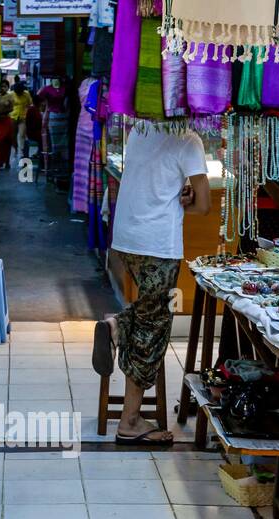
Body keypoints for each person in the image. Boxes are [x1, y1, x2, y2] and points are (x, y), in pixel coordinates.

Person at [93, 125, 210, 445]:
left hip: (126, 240)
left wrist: (179, 192)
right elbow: (204, 205)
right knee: (153, 330)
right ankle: (129, 421)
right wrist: (187, 196)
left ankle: (118, 324)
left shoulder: (138, 131)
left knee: (149, 314)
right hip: (157, 245)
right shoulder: (188, 140)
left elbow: (154, 181)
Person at [0, 79, 15, 170]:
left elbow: (11, 108)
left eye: (5, 86)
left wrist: (1, 112)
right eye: (1, 86)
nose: (3, 88)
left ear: (8, 87)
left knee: (7, 141)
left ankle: (8, 162)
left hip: (6, 120)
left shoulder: (10, 96)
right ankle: (0, 161)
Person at [11, 81, 32, 160]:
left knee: (21, 135)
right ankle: (15, 149)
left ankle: (21, 152)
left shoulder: (26, 94)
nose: (19, 94)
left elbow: (30, 104)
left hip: (23, 117)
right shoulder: (11, 94)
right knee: (13, 136)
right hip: (13, 117)